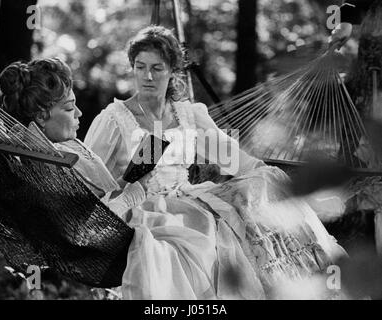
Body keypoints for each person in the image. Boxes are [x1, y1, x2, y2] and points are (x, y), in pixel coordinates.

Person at [85, 25, 348, 299]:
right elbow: (92, 185)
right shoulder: (114, 119)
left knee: (259, 186)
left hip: (187, 199)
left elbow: (232, 158)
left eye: (157, 68)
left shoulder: (187, 114)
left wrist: (266, 174)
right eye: (140, 67)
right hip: (142, 208)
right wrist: (132, 184)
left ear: (174, 70)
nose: (147, 76)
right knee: (201, 239)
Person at [0, 58, 149, 220]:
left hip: (124, 215)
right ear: (41, 116)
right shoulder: (49, 165)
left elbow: (101, 198)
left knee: (153, 150)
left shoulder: (51, 150)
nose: (78, 113)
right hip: (122, 235)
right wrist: (134, 194)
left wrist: (135, 175)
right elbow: (88, 228)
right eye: (69, 108)